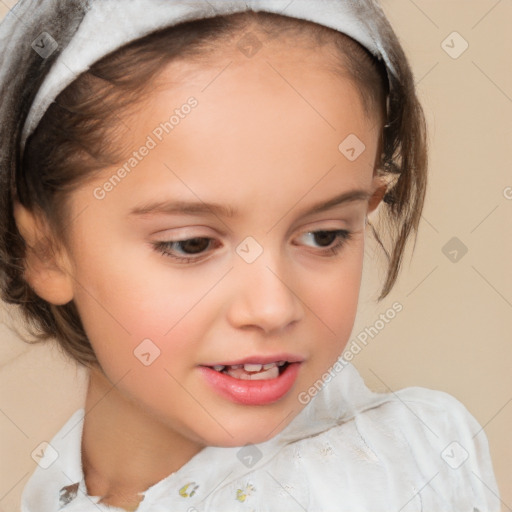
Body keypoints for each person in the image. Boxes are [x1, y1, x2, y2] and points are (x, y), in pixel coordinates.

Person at [0, 1, 500, 510]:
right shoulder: (55, 484)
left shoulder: (392, 477)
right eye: (190, 244)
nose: (272, 307)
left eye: (324, 235)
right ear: (44, 249)